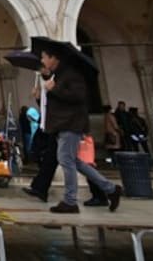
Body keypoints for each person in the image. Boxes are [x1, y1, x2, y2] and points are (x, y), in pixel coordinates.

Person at [39, 48, 122, 213]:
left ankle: (70, 201)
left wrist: (53, 88)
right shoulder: (60, 75)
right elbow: (57, 100)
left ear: (54, 57)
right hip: (63, 124)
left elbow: (77, 96)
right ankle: (111, 189)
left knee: (66, 160)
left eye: (44, 57)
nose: (42, 61)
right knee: (72, 161)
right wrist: (47, 84)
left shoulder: (71, 74)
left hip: (71, 123)